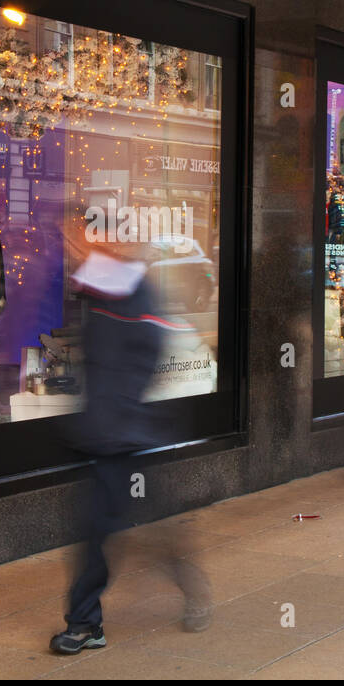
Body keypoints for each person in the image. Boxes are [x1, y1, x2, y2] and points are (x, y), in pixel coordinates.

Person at [49, 233, 212, 655]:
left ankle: (190, 590)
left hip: (133, 439)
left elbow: (143, 362)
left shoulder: (136, 304)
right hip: (108, 438)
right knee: (97, 532)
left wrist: (119, 413)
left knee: (152, 530)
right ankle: (86, 623)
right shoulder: (101, 303)